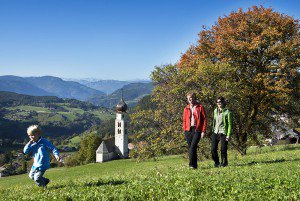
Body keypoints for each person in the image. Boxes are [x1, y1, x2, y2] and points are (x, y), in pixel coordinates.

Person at [23, 125, 60, 189]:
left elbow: (53, 148)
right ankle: (45, 180)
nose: (31, 137)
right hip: (35, 164)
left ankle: (44, 188)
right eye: (29, 135)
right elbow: (25, 151)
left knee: (37, 178)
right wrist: (29, 143)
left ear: (38, 134)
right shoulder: (32, 143)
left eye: (33, 135)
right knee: (31, 176)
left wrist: (56, 155)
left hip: (43, 164)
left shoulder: (44, 142)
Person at [183, 91, 207, 169]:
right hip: (188, 130)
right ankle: (195, 165)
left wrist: (203, 131)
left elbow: (204, 119)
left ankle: (191, 165)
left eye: (191, 98)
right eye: (189, 99)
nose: (190, 100)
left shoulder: (200, 107)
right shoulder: (186, 108)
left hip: (197, 129)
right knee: (192, 148)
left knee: (193, 147)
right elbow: (184, 120)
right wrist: (184, 129)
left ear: (194, 98)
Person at [211, 97, 232, 167]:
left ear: (223, 102)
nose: (218, 103)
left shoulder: (228, 112)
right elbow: (214, 121)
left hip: (223, 132)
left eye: (220, 102)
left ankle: (224, 163)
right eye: (217, 102)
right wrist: (213, 129)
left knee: (223, 149)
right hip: (215, 131)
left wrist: (228, 135)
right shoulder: (215, 111)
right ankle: (216, 162)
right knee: (213, 149)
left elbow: (230, 124)